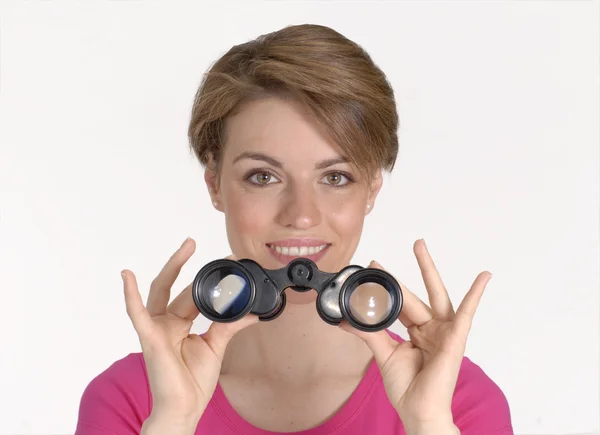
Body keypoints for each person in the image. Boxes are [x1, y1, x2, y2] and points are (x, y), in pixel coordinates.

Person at [75, 24, 513, 435]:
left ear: (371, 190)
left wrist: (429, 423)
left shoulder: (457, 402)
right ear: (215, 184)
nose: (301, 215)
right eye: (263, 177)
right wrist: (174, 418)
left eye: (335, 177)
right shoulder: (133, 400)